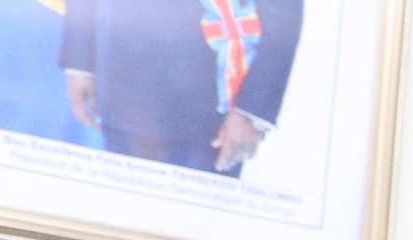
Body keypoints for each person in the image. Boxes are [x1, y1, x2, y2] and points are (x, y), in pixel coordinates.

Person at [60, 0, 301, 175]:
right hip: (122, 87)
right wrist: (80, 61)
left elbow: (283, 11)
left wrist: (251, 110)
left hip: (210, 113)